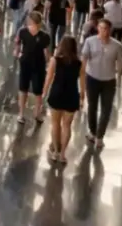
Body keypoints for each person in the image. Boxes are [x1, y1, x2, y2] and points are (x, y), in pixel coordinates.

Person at [81, 18, 122, 149]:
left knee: (106, 109)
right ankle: (93, 132)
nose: (102, 31)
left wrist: (119, 75)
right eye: (100, 28)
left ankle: (100, 135)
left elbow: (121, 63)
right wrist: (82, 77)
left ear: (110, 30)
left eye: (105, 28)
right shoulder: (90, 41)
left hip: (108, 81)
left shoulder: (116, 45)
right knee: (92, 106)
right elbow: (84, 59)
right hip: (92, 78)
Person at [42, 35, 83, 164]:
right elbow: (83, 81)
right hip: (72, 95)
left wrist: (44, 91)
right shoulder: (79, 63)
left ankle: (55, 152)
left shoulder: (55, 60)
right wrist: (83, 96)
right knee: (67, 125)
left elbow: (49, 77)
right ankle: (63, 154)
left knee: (55, 124)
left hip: (57, 93)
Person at [16, 11, 51, 125]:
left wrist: (47, 63)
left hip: (36, 66)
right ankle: (26, 113)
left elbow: (46, 52)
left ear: (33, 21)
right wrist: (18, 53)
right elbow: (17, 42)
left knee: (35, 91)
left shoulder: (44, 36)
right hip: (28, 64)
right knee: (26, 89)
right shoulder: (23, 32)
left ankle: (32, 113)